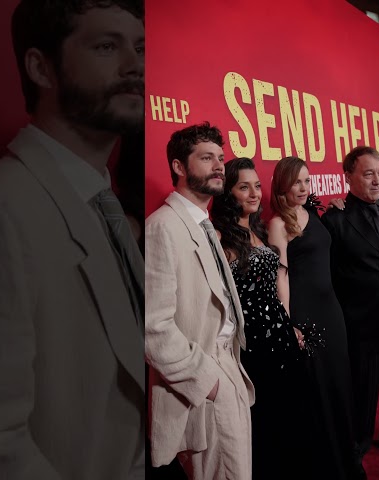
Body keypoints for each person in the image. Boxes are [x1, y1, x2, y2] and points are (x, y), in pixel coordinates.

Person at [0, 1, 146, 478]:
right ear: (41, 68)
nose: (135, 66)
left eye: (140, 47)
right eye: (106, 46)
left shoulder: (106, 206)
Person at [145, 122, 255, 480]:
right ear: (179, 166)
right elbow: (153, 328)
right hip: (203, 377)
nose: (219, 165)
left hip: (229, 367)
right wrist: (209, 382)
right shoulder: (162, 227)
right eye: (206, 158)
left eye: (220, 158)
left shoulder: (202, 225)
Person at [211, 157, 308, 480]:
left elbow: (273, 288)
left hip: (281, 339)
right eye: (244, 187)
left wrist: (289, 324)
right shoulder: (220, 238)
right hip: (253, 346)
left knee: (288, 417)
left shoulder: (257, 230)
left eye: (256, 186)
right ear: (227, 193)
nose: (254, 193)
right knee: (263, 423)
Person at [321, 146, 379, 471]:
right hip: (363, 323)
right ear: (348, 177)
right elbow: (329, 278)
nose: (377, 180)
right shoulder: (335, 219)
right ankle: (357, 446)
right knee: (363, 393)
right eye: (368, 174)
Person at [268, 156, 356, 480]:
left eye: (307, 180)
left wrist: (334, 206)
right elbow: (280, 277)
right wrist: (288, 322)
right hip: (305, 315)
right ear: (283, 185)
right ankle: (325, 465)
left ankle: (345, 458)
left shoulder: (313, 211)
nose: (304, 187)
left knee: (338, 384)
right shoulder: (278, 223)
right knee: (316, 390)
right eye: (297, 182)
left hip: (331, 311)